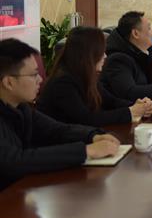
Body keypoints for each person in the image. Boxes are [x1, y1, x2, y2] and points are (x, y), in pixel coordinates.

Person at [0, 38, 120, 190]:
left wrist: (93, 136)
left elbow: (56, 129)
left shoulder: (21, 108)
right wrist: (86, 151)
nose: (40, 79)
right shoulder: (62, 82)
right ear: (9, 82)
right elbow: (16, 161)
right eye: (34, 75)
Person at [37, 27, 152, 126]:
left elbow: (111, 101)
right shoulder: (63, 82)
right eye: (101, 51)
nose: (105, 56)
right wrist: (130, 112)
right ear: (88, 54)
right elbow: (87, 119)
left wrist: (139, 105)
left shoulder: (86, 75)